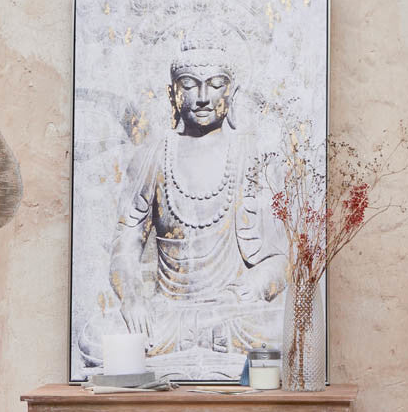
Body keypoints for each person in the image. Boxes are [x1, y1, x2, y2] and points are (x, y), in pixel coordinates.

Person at [108, 25, 286, 376]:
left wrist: (249, 288)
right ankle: (199, 349)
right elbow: (125, 243)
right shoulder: (154, 155)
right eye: (189, 85)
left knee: (282, 327)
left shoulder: (252, 157)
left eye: (215, 84)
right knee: (99, 334)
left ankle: (191, 350)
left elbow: (280, 260)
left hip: (231, 313)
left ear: (231, 92)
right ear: (172, 93)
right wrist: (133, 298)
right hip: (168, 313)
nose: (202, 97)